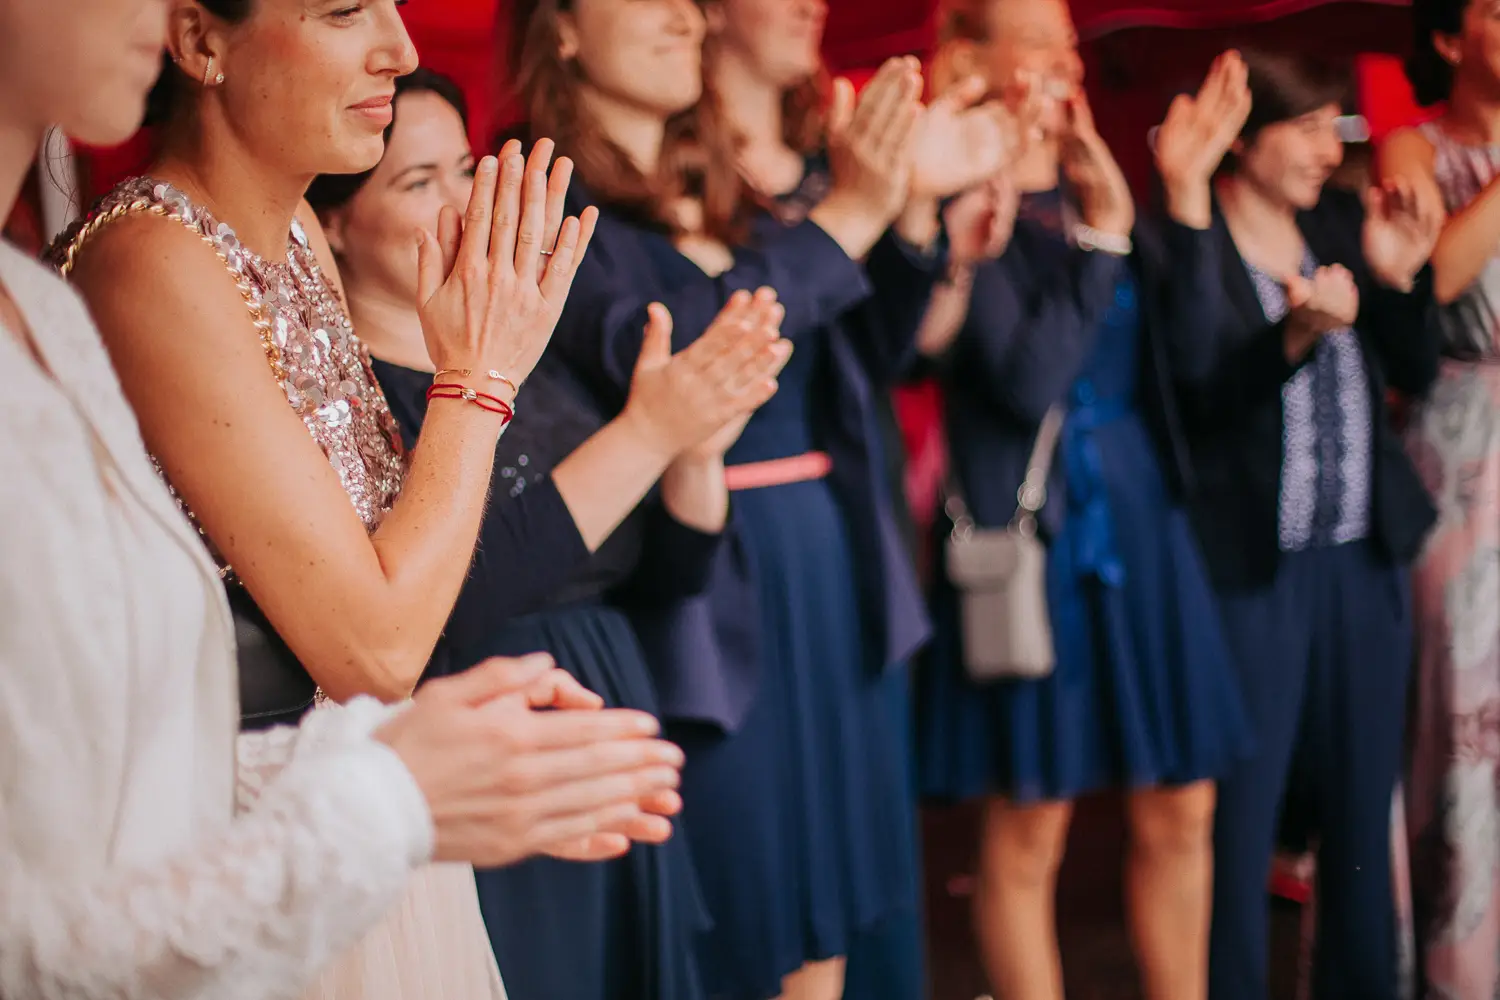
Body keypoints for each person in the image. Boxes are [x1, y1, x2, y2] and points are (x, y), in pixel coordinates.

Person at [0, 1, 695, 998]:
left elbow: (385, 565)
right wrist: (478, 376)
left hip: (347, 797)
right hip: (247, 848)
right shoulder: (149, 256)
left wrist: (479, 751)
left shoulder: (289, 228)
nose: (401, 51)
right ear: (199, 43)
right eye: (342, 10)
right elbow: (371, 648)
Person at [305, 66, 791, 1000]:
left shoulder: (542, 352)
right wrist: (645, 433)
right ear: (333, 221)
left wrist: (694, 450)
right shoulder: (354, 396)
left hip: (613, 710)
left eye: (466, 170)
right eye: (416, 183)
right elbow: (454, 602)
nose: (461, 205)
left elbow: (665, 579)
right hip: (494, 753)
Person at [510, 2, 953, 996]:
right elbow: (681, 352)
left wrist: (905, 215)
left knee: (823, 920)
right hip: (699, 582)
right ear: (563, 29)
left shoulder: (724, 179)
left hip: (822, 558)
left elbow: (859, 360)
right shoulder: (549, 196)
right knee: (745, 923)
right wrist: (851, 215)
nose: (684, 16)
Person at [914, 3, 1257, 996]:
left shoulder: (1094, 185)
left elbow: (1193, 363)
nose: (1067, 59)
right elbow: (1028, 382)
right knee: (1032, 822)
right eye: (1041, 40)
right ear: (972, 60)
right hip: (1037, 535)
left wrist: (1178, 197)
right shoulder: (958, 209)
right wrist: (1104, 239)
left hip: (1145, 523)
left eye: (1069, 42)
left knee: (1182, 804)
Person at [700, 2, 1027, 994]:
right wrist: (879, 202)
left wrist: (926, 220)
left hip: (851, 524)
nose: (811, 4)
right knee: (763, 874)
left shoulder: (825, 158)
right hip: (728, 537)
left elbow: (880, 354)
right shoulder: (673, 180)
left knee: (862, 849)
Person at [1167, 49, 1441, 1000]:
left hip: (1363, 565)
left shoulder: (1334, 225)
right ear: (1244, 140)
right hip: (1254, 574)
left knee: (1363, 825)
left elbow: (1417, 366)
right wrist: (1291, 337)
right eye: (1309, 126)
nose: (1332, 147)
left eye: (1338, 125)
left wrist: (1400, 280)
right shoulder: (1193, 244)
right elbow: (1198, 402)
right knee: (1241, 827)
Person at [1379, 1, 1500, 995]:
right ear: (1453, 38)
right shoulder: (1410, 150)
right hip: (1459, 448)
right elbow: (1437, 271)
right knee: (1457, 701)